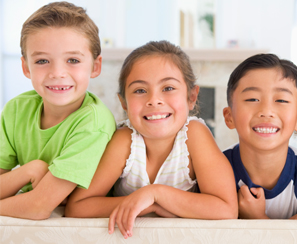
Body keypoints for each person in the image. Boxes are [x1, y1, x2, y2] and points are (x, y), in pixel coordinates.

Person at [65, 40, 238, 239]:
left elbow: (226, 208)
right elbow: (77, 207)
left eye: (168, 88)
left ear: (191, 97)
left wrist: (156, 194)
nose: (154, 100)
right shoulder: (125, 141)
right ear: (124, 103)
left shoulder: (194, 135)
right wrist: (150, 206)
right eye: (140, 90)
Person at [0, 2, 116, 219]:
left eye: (73, 60)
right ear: (26, 67)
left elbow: (39, 206)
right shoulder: (16, 109)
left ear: (95, 66)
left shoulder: (94, 123)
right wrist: (30, 170)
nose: (57, 73)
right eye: (42, 60)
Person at [222, 53, 297, 237]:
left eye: (281, 100)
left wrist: (258, 218)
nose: (266, 111)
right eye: (252, 99)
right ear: (229, 117)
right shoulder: (215, 170)